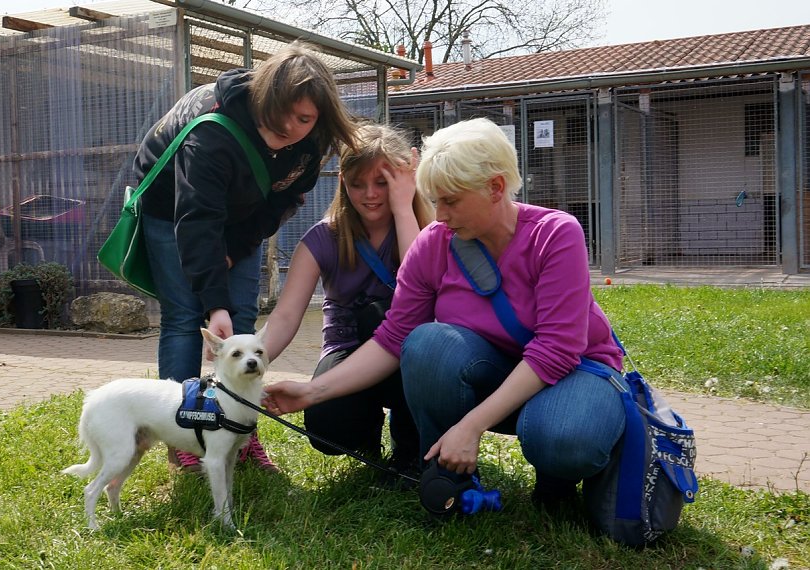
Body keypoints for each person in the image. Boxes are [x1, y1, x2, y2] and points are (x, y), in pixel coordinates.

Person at [263, 118, 627, 513]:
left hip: (574, 372)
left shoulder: (555, 234)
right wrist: (312, 391)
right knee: (426, 343)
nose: (440, 215)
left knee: (561, 440)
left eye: (450, 201)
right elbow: (393, 338)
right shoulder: (434, 243)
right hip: (499, 371)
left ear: (496, 187)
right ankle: (448, 475)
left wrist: (470, 426)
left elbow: (557, 350)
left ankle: (558, 480)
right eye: (435, 200)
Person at [135, 41, 357, 473]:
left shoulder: (312, 139)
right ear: (264, 100)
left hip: (243, 214)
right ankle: (185, 434)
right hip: (172, 211)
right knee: (186, 318)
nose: (291, 129)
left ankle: (240, 431)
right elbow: (197, 218)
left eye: (305, 119)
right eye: (280, 118)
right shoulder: (212, 130)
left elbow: (283, 200)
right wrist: (213, 298)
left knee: (241, 324)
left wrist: (235, 252)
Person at [261, 123, 434, 476]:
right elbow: (285, 316)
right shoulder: (322, 239)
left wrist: (404, 209)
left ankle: (411, 448)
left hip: (412, 355)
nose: (370, 194)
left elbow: (421, 287)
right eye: (358, 183)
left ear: (404, 182)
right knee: (329, 428)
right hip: (348, 348)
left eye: (383, 183)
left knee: (395, 325)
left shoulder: (427, 230)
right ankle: (366, 433)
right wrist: (247, 358)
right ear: (342, 181)